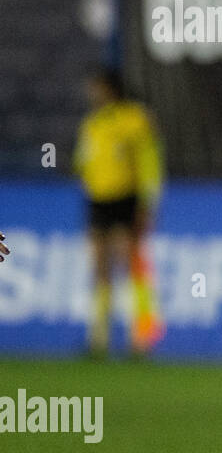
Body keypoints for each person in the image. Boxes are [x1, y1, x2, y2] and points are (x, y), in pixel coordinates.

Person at [73, 68, 164, 357]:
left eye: (96, 88)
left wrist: (148, 202)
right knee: (100, 269)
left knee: (132, 267)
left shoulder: (136, 118)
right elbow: (82, 161)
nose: (92, 94)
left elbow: (150, 162)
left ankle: (143, 337)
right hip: (98, 200)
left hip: (127, 199)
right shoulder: (92, 124)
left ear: (110, 89)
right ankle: (98, 339)